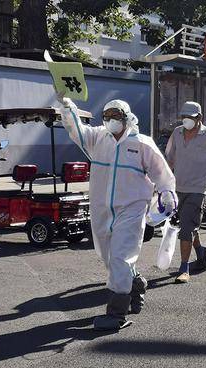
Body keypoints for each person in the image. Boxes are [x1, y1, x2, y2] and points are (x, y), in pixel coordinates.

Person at [57, 95, 176, 331]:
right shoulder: (98, 138)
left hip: (132, 209)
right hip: (102, 207)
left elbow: (161, 174)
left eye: (116, 116)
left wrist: (167, 193)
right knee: (109, 258)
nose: (111, 121)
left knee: (121, 256)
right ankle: (135, 283)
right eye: (107, 116)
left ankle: (116, 314)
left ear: (127, 118)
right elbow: (76, 131)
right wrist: (68, 108)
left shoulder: (142, 143)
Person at [165, 101, 206, 284]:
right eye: (184, 117)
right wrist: (163, 182)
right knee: (189, 223)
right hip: (178, 187)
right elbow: (170, 158)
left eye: (190, 117)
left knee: (186, 228)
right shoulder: (177, 133)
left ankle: (184, 268)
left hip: (198, 188)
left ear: (199, 118)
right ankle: (201, 251)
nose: (186, 120)